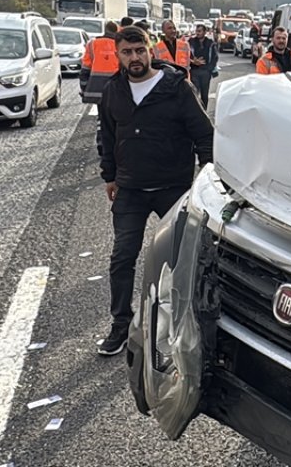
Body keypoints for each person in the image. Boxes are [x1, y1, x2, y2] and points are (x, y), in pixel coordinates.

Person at [96, 26, 214, 356]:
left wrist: (205, 178)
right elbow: (106, 135)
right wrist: (110, 176)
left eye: (139, 50)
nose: (134, 57)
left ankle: (187, 323)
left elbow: (205, 135)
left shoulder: (177, 88)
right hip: (131, 188)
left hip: (173, 188)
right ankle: (121, 325)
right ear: (118, 54)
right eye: (127, 52)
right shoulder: (113, 91)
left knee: (184, 259)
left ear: (151, 51)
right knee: (122, 258)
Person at [81, 20, 120, 103]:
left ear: (105, 30)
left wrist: (84, 88)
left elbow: (85, 69)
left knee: (101, 111)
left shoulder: (92, 43)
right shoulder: (119, 44)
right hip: (115, 86)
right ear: (117, 31)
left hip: (96, 87)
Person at [187, 23, 220, 107]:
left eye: (199, 31)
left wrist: (209, 69)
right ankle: (196, 111)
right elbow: (186, 54)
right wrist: (193, 61)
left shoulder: (210, 43)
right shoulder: (191, 42)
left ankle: (204, 111)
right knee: (194, 93)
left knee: (204, 94)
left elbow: (215, 57)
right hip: (194, 71)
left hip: (206, 72)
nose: (197, 33)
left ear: (205, 32)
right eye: (196, 31)